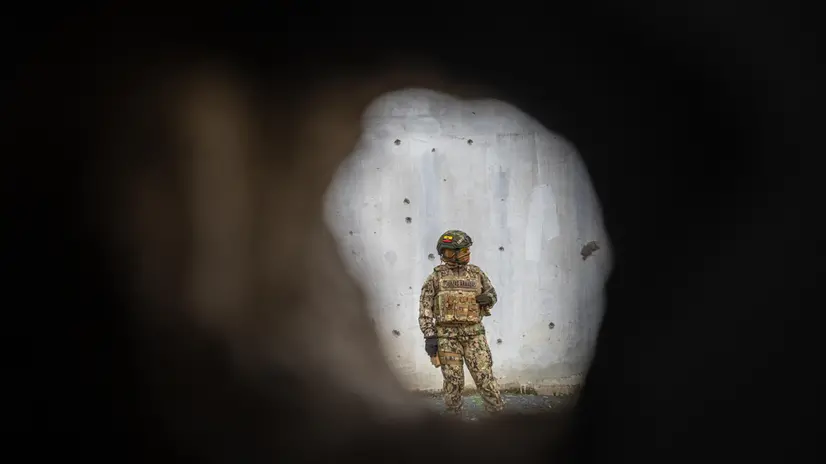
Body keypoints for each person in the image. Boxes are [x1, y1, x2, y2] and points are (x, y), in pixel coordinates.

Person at [418, 229, 505, 415]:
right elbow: (425, 310)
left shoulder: (476, 273)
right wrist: (430, 338)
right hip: (447, 338)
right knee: (453, 383)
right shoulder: (435, 278)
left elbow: (493, 294)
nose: (467, 253)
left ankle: (499, 420)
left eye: (467, 249)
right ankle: (453, 425)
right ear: (449, 252)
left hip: (474, 336)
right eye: (462, 250)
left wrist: (488, 298)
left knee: (485, 379)